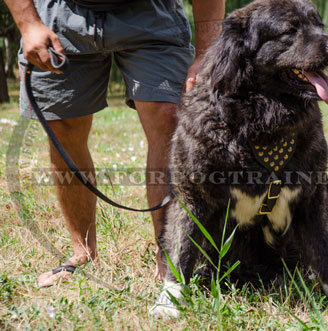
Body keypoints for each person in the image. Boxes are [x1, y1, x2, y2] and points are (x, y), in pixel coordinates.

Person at [4, 0, 225, 287]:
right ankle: (83, 253)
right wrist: (29, 23)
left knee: (168, 115)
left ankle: (170, 259)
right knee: (62, 124)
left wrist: (206, 52)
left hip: (151, 13)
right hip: (60, 12)